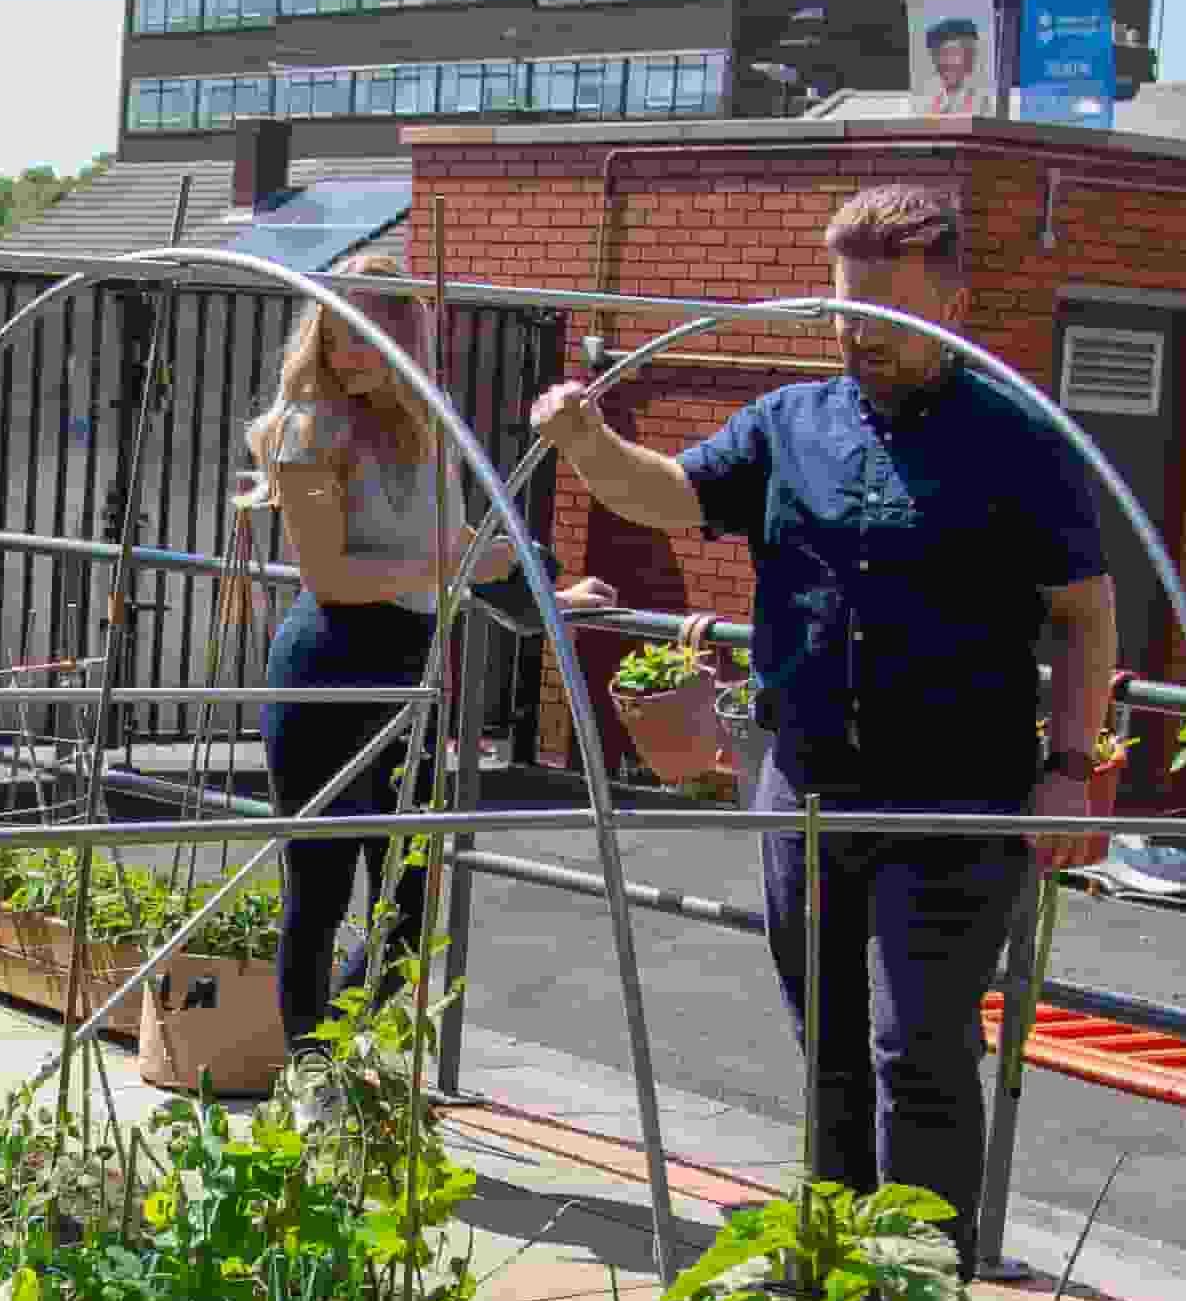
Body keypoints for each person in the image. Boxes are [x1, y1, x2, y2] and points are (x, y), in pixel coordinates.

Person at [528, 180, 1117, 1228]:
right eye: (842, 309)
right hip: (804, 777)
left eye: (883, 312)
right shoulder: (788, 423)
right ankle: (837, 1276)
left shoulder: (1022, 443)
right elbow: (670, 492)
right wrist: (586, 444)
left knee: (918, 1046)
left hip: (954, 793)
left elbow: (1082, 614)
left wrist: (1070, 768)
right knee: (830, 1044)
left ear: (952, 302)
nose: (857, 335)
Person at [236, 291, 485, 1051]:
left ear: (405, 338)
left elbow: (453, 540)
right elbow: (333, 575)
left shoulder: (428, 424)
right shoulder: (308, 430)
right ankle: (313, 1075)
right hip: (330, 662)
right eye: (337, 339)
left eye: (368, 339)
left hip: (412, 661)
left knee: (408, 900)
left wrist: (541, 590)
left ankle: (334, 1061)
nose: (350, 356)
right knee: (318, 887)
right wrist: (465, 561)